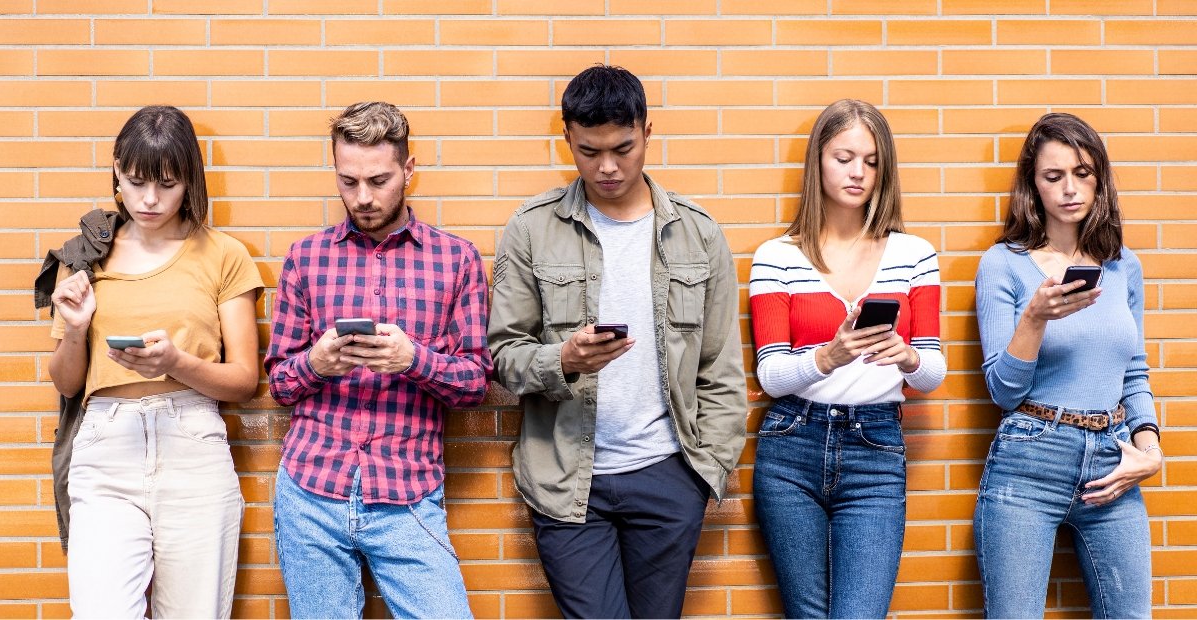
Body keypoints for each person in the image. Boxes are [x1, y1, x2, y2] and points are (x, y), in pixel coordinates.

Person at [487, 65, 747, 619]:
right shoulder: (531, 229)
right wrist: (564, 359)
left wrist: (705, 473)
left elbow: (720, 368)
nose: (606, 167)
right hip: (567, 480)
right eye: (588, 151)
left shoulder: (699, 233)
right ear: (567, 140)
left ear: (648, 133)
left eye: (623, 148)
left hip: (669, 474)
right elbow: (502, 355)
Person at [265, 101, 491, 619]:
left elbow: (476, 382)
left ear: (409, 171)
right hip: (311, 488)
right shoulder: (306, 257)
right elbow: (279, 383)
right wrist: (317, 364)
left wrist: (413, 359)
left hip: (407, 492)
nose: (363, 198)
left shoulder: (456, 259)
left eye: (379, 180)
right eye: (348, 182)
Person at [42, 105, 264, 618]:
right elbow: (66, 381)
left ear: (190, 180)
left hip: (191, 443)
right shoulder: (85, 256)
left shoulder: (223, 254)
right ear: (117, 169)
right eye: (137, 181)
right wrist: (75, 330)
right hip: (105, 449)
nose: (149, 199)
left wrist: (175, 362)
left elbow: (245, 381)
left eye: (167, 184)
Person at [748, 99, 946, 619]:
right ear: (818, 161)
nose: (859, 172)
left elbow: (933, 374)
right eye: (844, 157)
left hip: (875, 449)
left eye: (872, 161)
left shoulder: (915, 254)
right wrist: (830, 356)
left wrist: (905, 357)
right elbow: (771, 375)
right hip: (792, 445)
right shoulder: (777, 256)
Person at [973, 113, 1161, 618]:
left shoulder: (1124, 265)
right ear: (1033, 187)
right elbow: (1003, 391)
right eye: (1053, 177)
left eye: (1081, 173)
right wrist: (1034, 317)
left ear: (1099, 177)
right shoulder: (1003, 264)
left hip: (1111, 458)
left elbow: (1134, 372)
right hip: (1030, 457)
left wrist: (1150, 449)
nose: (1070, 189)